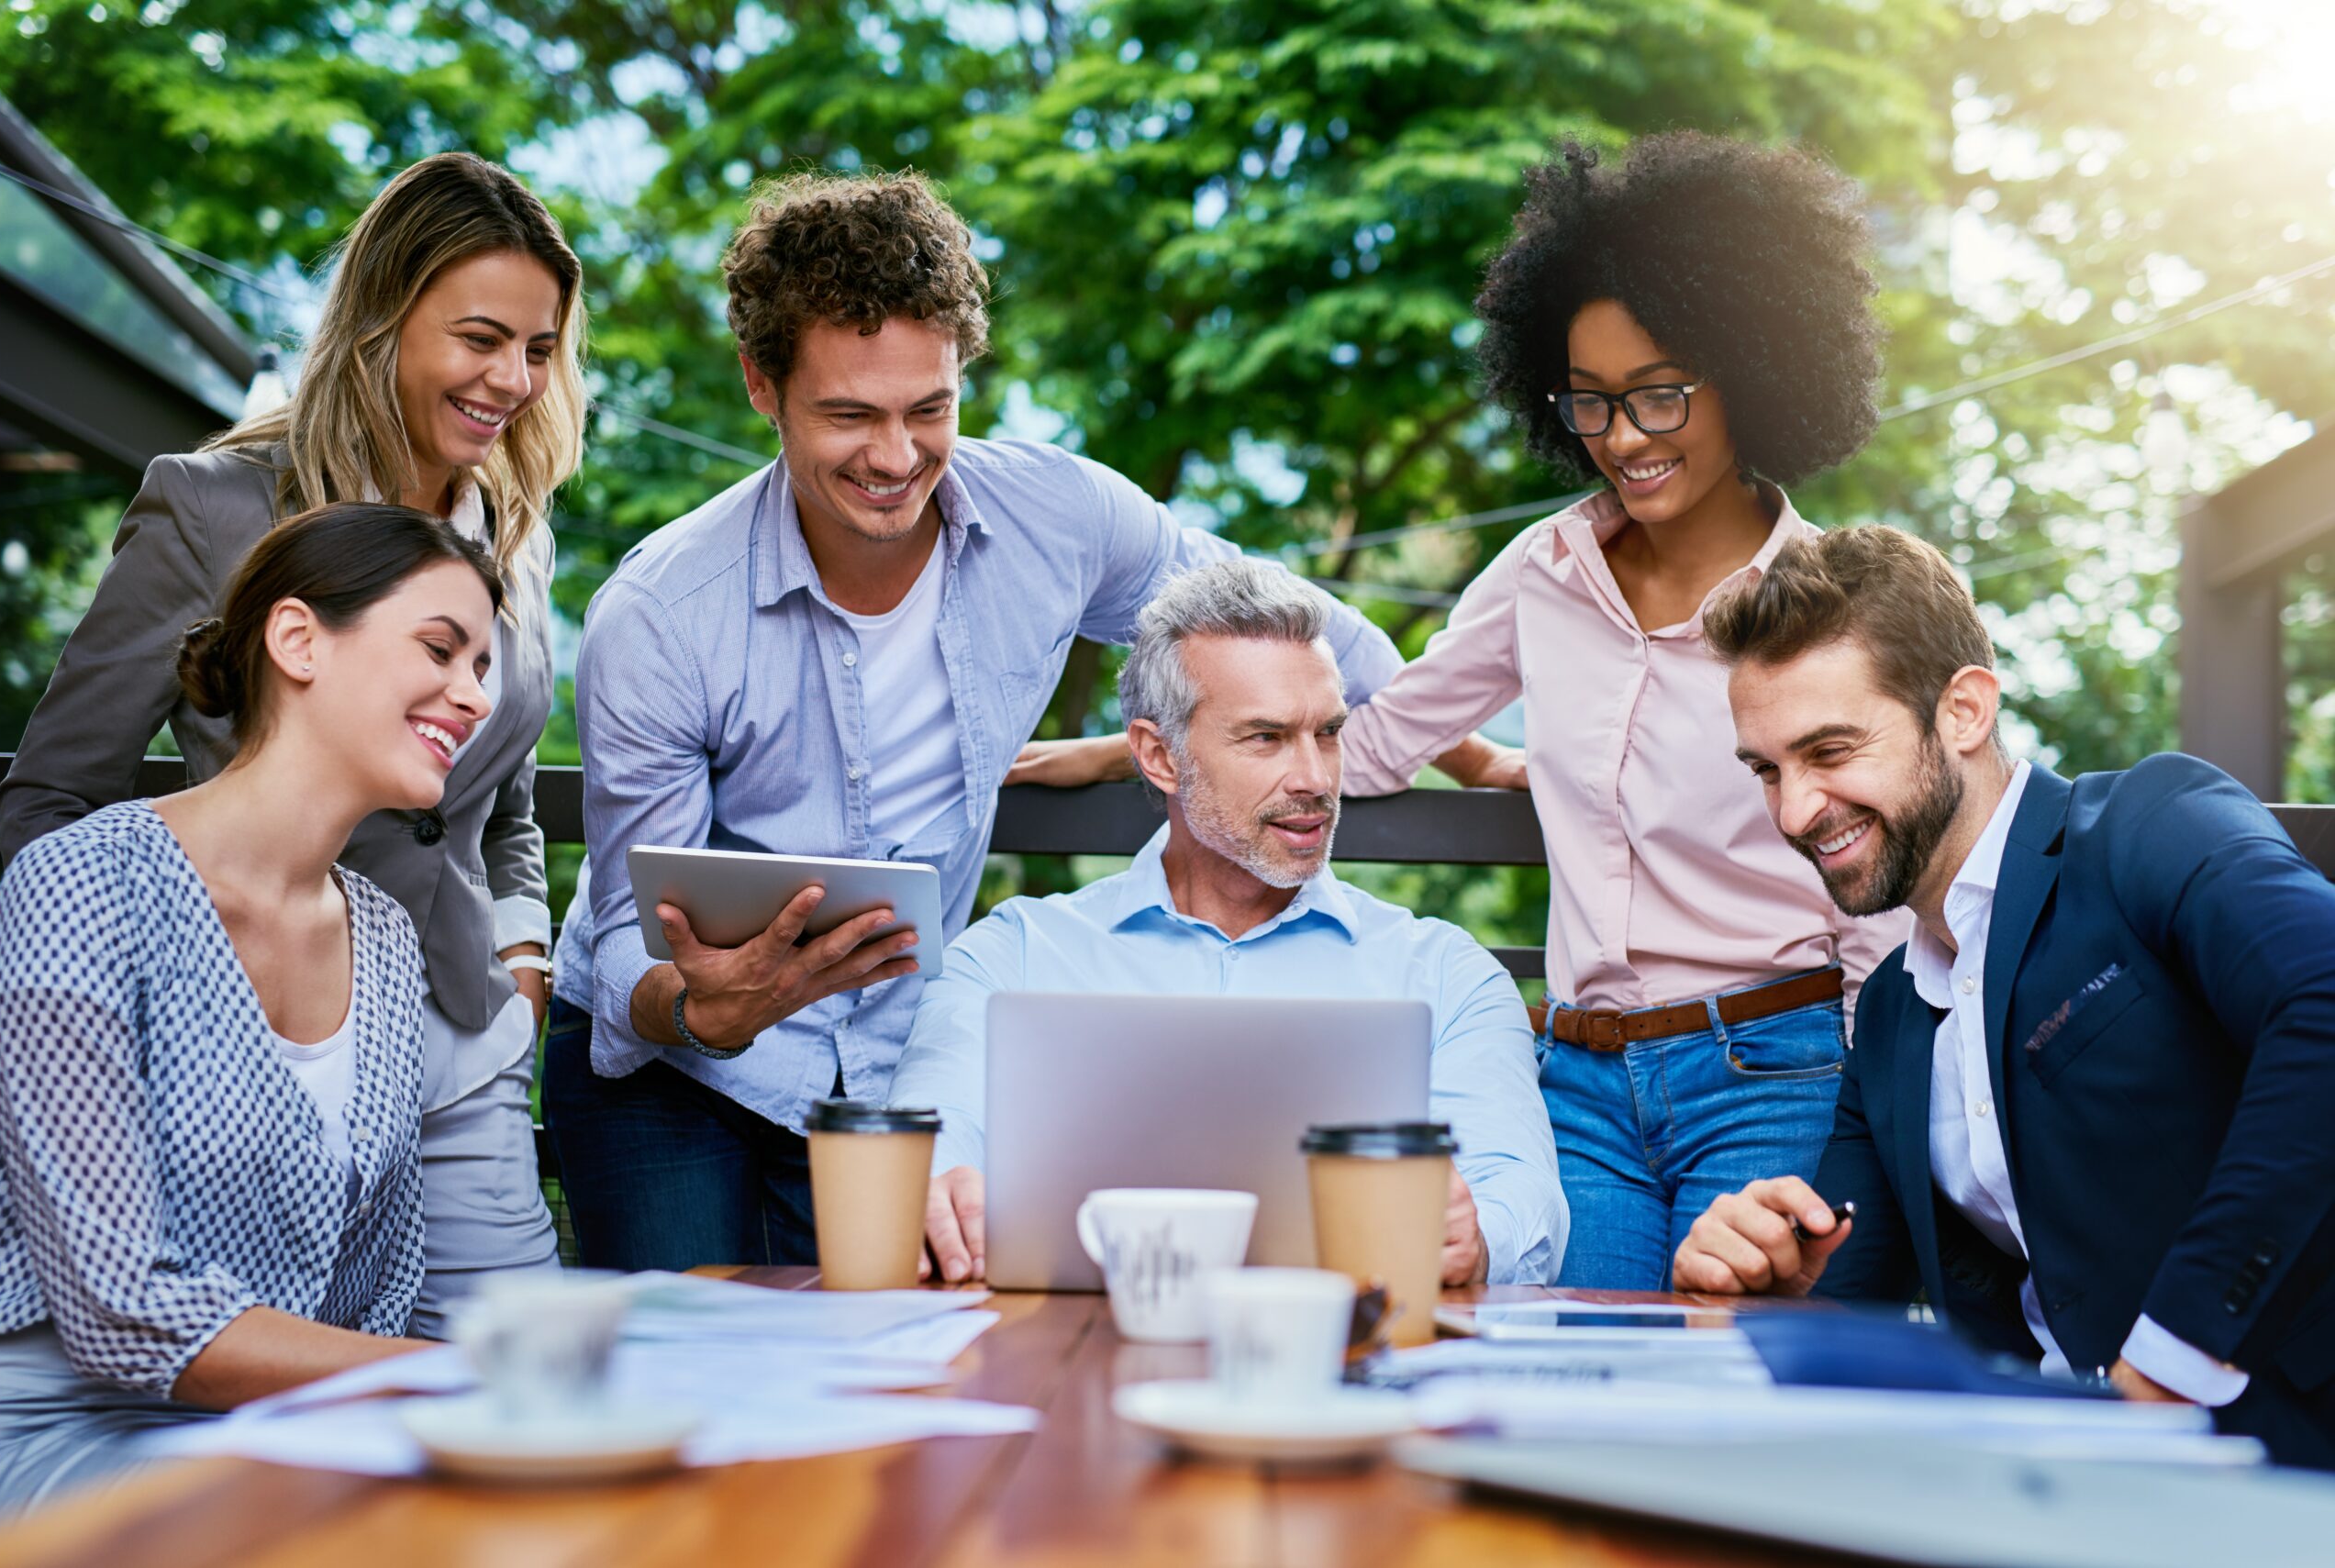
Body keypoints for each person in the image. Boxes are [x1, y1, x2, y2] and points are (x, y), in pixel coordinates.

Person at [545, 172, 1416, 1273]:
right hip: (676, 1072)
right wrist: (706, 1006)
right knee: (694, 1385)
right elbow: (629, 938)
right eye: (849, 414)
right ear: (761, 387)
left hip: (898, 1064)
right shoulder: (663, 612)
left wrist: (1151, 741)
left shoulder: (1059, 517)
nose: (896, 456)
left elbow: (1299, 633)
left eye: (930, 408)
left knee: (882, 1389)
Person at [0, 153, 585, 1335]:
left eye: (538, 347)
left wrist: (521, 961)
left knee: (517, 1381)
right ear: (382, 319)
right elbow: (55, 794)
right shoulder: (212, 509)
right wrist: (172, 992)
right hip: (251, 1054)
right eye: (480, 337)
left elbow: (503, 809)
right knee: (267, 1390)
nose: (513, 379)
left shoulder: (511, 535)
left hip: (463, 1038)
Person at [1319, 133, 1915, 1288]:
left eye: (1659, 393)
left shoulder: (1832, 607)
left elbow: (1883, 884)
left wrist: (1871, 1097)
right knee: (1574, 1387)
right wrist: (1155, 750)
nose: (1625, 437)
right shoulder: (1543, 570)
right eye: (1589, 402)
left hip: (1775, 1071)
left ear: (1752, 366)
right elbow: (1378, 737)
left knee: (1726, 1404)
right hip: (1581, 1083)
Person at [1673, 525, 2335, 1470]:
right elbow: (1841, 1288)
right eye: (1767, 769)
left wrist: (2174, 1354)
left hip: (2282, 1460)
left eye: (1829, 749)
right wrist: (1757, 1282)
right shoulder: (1895, 1018)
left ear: (1963, 709)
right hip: (2037, 1480)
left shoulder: (2148, 825)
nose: (1793, 810)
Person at [0, 503, 504, 1513]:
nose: (472, 695)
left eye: (483, 666)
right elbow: (118, 1307)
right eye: (442, 649)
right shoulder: (80, 887)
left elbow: (375, 1295)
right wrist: (449, 1378)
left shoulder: (387, 942)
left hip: (280, 1437)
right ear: (298, 639)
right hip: (53, 1435)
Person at [892, 560, 1566, 1287]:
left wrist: (1479, 1235)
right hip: (1057, 1363)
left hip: (1344, 1371)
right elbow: (931, 1128)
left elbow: (1520, 1194)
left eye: (1328, 733)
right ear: (1159, 756)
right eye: (1267, 738)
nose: (1315, 777)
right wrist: (937, 1189)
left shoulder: (1448, 975)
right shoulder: (1011, 955)